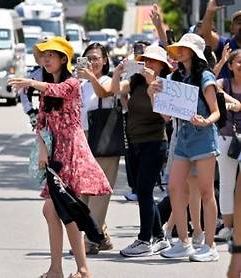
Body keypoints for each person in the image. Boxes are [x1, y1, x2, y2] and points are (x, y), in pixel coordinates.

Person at [9, 37, 111, 278]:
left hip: (72, 152)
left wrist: (31, 82)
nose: (45, 59)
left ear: (64, 59)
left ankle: (76, 269)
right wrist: (43, 148)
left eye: (51, 55)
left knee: (60, 210)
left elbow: (58, 90)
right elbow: (41, 123)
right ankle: (66, 268)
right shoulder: (46, 90)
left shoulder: (72, 83)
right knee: (57, 211)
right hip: (55, 153)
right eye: (43, 55)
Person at [150, 33, 221, 262]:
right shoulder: (174, 77)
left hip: (203, 138)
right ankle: (184, 242)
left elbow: (216, 111)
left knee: (205, 191)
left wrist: (206, 121)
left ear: (195, 52)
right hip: (182, 139)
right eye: (178, 47)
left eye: (184, 47)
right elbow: (166, 117)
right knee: (174, 188)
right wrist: (153, 95)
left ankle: (210, 247)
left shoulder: (206, 76)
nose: (178, 51)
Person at [112, 44, 172, 257]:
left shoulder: (164, 85)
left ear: (163, 65)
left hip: (154, 142)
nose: (148, 64)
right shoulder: (136, 81)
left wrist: (151, 84)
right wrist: (118, 73)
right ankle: (160, 237)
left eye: (153, 61)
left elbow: (167, 116)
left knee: (145, 192)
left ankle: (144, 239)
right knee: (142, 190)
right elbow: (117, 89)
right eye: (145, 60)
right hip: (135, 142)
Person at [77, 42, 118, 254]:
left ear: (105, 61)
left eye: (96, 58)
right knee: (83, 192)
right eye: (88, 58)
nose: (92, 62)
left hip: (103, 139)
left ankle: (91, 240)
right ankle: (102, 236)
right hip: (82, 139)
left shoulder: (108, 80)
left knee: (99, 191)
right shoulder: (79, 84)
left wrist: (91, 77)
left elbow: (104, 93)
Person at [215, 49, 241, 243]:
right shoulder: (222, 83)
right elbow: (206, 83)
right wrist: (221, 61)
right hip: (226, 138)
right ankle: (227, 227)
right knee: (226, 183)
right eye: (238, 62)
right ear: (231, 66)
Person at [198, 0, 241, 78]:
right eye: (240, 23)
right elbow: (206, 35)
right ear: (232, 28)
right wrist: (209, 11)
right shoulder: (225, 45)